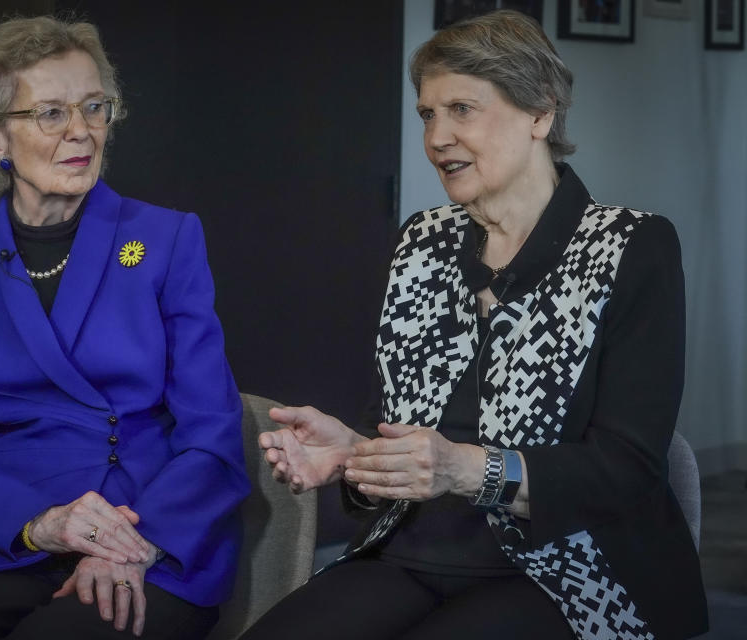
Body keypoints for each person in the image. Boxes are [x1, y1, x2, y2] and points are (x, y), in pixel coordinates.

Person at [245, 10, 706, 640]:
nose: (437, 138)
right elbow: (411, 436)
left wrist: (467, 469)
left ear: (540, 113)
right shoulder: (422, 243)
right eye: (428, 114)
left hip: (571, 568)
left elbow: (626, 468)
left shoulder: (630, 246)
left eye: (462, 108)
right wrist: (357, 455)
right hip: (412, 551)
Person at [0, 15, 249, 640]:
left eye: (94, 107)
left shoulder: (166, 240)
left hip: (147, 535)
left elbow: (211, 429)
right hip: (14, 537)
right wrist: (41, 523)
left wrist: (131, 542)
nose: (81, 131)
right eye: (51, 113)